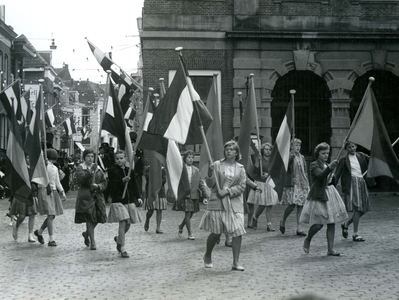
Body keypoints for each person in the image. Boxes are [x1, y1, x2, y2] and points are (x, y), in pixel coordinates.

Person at [199, 140, 247, 271]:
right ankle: (208, 254)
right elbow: (209, 184)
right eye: (227, 149)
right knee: (216, 232)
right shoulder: (217, 165)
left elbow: (242, 186)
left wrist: (227, 191)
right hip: (218, 203)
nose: (229, 151)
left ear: (236, 152)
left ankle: (235, 262)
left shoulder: (241, 169)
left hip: (234, 204)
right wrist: (210, 174)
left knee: (237, 232)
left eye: (232, 149)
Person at [299, 142, 348, 256]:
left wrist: (333, 172)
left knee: (331, 222)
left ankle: (330, 249)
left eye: (327, 153)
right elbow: (321, 176)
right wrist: (330, 168)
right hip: (320, 195)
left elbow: (332, 180)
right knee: (318, 224)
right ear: (318, 154)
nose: (326, 155)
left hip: (330, 193)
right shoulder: (314, 165)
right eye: (323, 153)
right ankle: (308, 239)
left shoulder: (326, 164)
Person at [335, 141, 375, 242]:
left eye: (353, 146)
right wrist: (331, 185)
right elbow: (337, 174)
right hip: (352, 184)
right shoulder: (343, 160)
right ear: (346, 149)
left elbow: (372, 160)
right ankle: (355, 234)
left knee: (364, 208)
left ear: (356, 146)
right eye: (349, 147)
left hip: (362, 182)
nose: (352, 149)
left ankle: (346, 224)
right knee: (358, 208)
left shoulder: (361, 155)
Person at [107, 150, 143, 258]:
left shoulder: (129, 171)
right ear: (115, 160)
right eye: (117, 158)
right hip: (118, 200)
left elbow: (134, 185)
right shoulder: (112, 170)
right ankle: (123, 248)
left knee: (128, 223)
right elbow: (112, 185)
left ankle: (119, 239)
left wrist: (138, 197)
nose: (119, 160)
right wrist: (122, 180)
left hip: (129, 199)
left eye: (121, 158)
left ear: (125, 159)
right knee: (123, 222)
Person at [75, 148, 107, 250]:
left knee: (98, 218)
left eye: (92, 156)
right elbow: (81, 180)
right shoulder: (80, 168)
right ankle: (93, 242)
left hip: (97, 196)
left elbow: (104, 181)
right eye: (88, 156)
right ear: (84, 157)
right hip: (86, 197)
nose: (90, 158)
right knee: (90, 218)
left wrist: (98, 186)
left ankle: (87, 233)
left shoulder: (98, 168)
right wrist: (90, 171)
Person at [175, 150, 209, 240]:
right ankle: (190, 233)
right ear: (185, 158)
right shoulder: (181, 169)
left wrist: (205, 193)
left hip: (194, 194)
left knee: (191, 213)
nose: (190, 159)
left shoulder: (196, 170)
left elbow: (201, 182)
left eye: (192, 158)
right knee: (188, 212)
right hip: (185, 194)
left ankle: (181, 226)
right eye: (188, 157)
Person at [34, 149, 67, 246]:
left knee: (52, 215)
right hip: (44, 190)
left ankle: (39, 232)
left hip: (53, 191)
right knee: (50, 214)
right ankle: (51, 239)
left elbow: (57, 181)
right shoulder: (43, 165)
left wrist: (62, 191)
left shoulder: (55, 168)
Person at [280, 138, 310, 236]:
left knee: (301, 206)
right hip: (293, 183)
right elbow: (285, 167)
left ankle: (299, 228)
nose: (298, 147)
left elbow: (304, 171)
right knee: (292, 205)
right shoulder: (289, 155)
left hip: (301, 183)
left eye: (299, 145)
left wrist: (307, 182)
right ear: (291, 146)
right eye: (295, 145)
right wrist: (290, 158)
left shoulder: (302, 157)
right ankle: (283, 219)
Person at [247, 143, 279, 231]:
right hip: (260, 183)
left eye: (269, 149)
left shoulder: (273, 160)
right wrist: (258, 161)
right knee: (262, 205)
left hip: (269, 183)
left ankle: (269, 224)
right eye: (266, 149)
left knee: (269, 205)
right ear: (262, 150)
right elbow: (255, 171)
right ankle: (255, 217)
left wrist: (268, 175)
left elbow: (276, 171)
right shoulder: (260, 159)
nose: (268, 151)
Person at [10, 155, 39, 242]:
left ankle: (30, 235)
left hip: (33, 193)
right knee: (22, 215)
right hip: (23, 193)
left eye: (30, 157)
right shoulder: (22, 168)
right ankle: (16, 226)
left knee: (32, 214)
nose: (29, 159)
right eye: (27, 157)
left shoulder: (35, 169)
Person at [143, 166, 167, 233]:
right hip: (151, 192)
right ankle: (147, 219)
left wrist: (158, 180)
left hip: (160, 192)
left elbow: (164, 180)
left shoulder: (162, 169)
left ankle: (158, 227)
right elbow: (148, 178)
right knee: (151, 210)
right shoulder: (148, 168)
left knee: (159, 210)